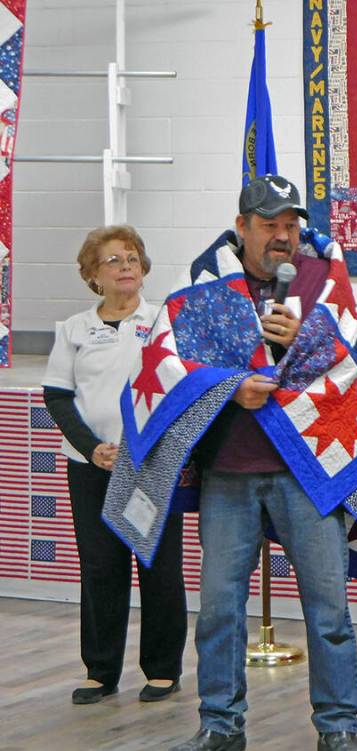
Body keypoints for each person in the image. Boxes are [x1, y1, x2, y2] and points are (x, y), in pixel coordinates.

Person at [165, 175, 357, 751]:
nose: (283, 236)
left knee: (327, 604)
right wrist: (232, 388)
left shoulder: (322, 278)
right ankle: (219, 722)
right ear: (242, 227)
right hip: (230, 470)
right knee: (219, 608)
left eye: (291, 224)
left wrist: (301, 335)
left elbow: (346, 359)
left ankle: (338, 725)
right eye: (269, 225)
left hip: (307, 469)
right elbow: (179, 365)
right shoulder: (206, 285)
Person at [42, 225, 186, 706]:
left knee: (158, 565)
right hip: (91, 466)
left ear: (143, 269)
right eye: (113, 260)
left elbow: (182, 391)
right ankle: (100, 670)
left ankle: (163, 670)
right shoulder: (74, 330)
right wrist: (91, 447)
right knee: (101, 567)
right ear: (92, 275)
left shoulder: (166, 325)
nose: (125, 266)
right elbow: (58, 397)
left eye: (132, 258)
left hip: (151, 462)